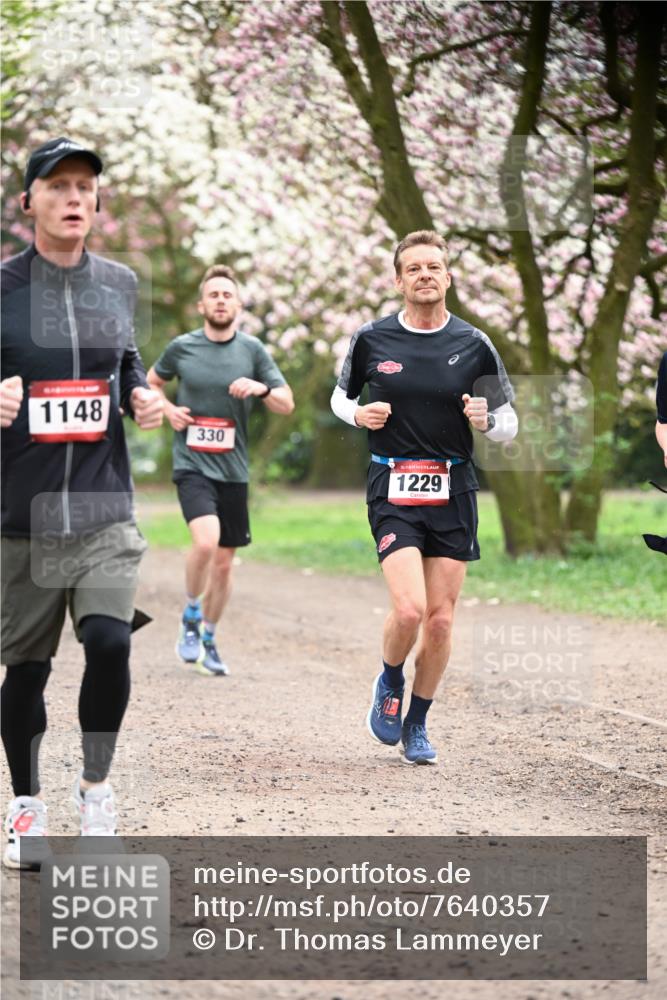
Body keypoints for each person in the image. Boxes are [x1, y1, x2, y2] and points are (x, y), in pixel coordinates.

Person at [1, 137, 163, 867]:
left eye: (85, 187)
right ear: (27, 201)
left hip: (103, 507)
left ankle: (96, 794)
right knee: (27, 671)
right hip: (21, 512)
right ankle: (25, 806)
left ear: (97, 203)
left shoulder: (120, 284)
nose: (73, 197)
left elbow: (122, 360)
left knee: (109, 640)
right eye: (58, 184)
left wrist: (138, 393)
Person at [331, 230, 518, 765]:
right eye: (414, 268)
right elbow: (340, 399)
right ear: (399, 280)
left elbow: (509, 420)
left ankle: (416, 722)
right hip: (392, 485)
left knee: (440, 621)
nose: (425, 275)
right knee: (410, 610)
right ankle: (390, 679)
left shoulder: (475, 343)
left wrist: (490, 421)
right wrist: (359, 415)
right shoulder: (371, 338)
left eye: (434, 266)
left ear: (449, 276)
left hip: (453, 487)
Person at [147, 265, 294, 675]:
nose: (221, 301)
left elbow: (286, 401)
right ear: (201, 305)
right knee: (206, 542)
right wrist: (167, 410)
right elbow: (150, 383)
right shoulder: (182, 347)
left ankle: (209, 636)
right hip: (192, 464)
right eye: (213, 294)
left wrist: (261, 388)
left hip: (233, 470)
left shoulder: (252, 351)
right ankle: (191, 614)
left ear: (239, 304)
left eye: (227, 295)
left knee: (225, 563)